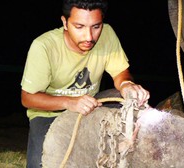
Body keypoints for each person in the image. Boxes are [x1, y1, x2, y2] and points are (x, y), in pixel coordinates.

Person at [20, 0, 150, 167]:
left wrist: (126, 84)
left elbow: (120, 72)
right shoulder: (43, 46)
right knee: (41, 163)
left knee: (122, 96)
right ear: (65, 23)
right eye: (79, 27)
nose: (89, 37)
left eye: (96, 27)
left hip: (91, 106)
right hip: (48, 113)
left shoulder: (108, 34)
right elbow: (28, 98)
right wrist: (69, 102)